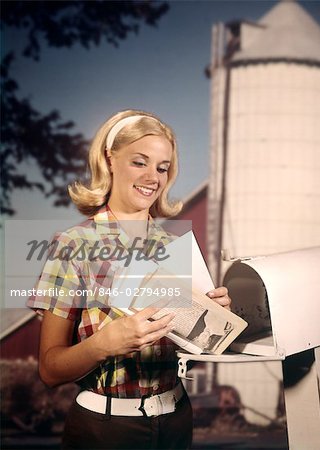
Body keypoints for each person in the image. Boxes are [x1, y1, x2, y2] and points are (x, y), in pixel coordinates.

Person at [28, 110, 231, 449]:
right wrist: (104, 344)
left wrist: (213, 317)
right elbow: (50, 369)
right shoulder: (74, 246)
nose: (153, 177)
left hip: (177, 419)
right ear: (110, 159)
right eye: (140, 162)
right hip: (105, 430)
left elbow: (185, 342)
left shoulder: (174, 247)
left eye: (162, 168)